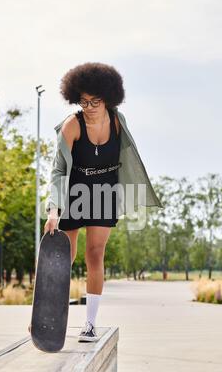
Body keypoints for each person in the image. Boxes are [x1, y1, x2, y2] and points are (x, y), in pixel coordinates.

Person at [44, 62, 163, 343]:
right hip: (75, 191)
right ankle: (47, 316)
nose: (89, 106)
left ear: (108, 98)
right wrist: (53, 211)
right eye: (84, 101)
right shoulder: (72, 125)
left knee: (95, 255)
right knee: (64, 258)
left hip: (104, 192)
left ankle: (89, 324)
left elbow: (128, 160)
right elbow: (58, 170)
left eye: (95, 101)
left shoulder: (118, 122)